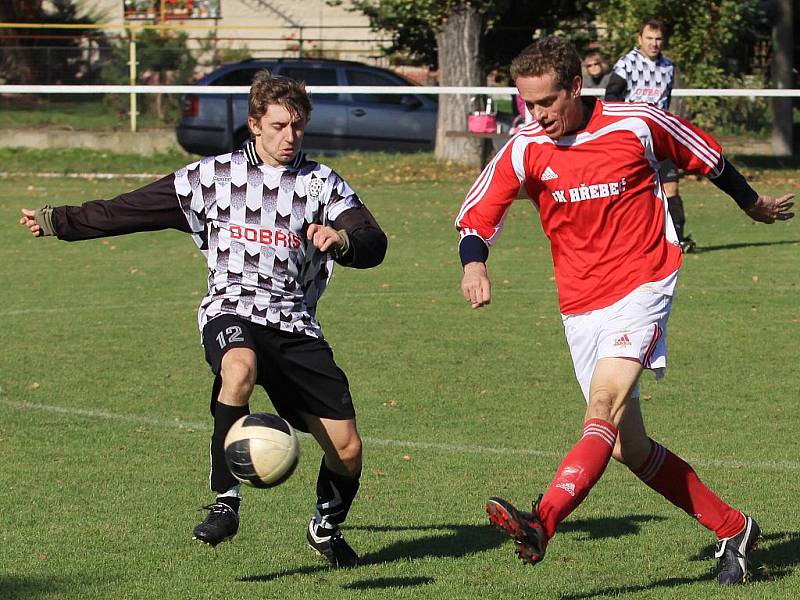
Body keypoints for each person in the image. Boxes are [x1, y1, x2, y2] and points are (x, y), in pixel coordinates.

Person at [455, 36, 794, 586]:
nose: (536, 115)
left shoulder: (636, 122)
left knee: (603, 405)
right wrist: (474, 265)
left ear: (575, 88)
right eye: (526, 104)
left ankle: (543, 519)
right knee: (629, 448)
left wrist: (751, 203)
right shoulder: (524, 147)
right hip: (580, 304)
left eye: (546, 103)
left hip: (644, 283)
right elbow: (477, 213)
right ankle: (734, 528)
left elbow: (707, 158)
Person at [19, 70, 387, 568]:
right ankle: (225, 502)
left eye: (297, 126)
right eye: (278, 126)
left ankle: (325, 528)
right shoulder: (211, 178)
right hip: (231, 306)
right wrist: (57, 220)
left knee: (346, 449)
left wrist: (343, 241)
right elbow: (131, 209)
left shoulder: (322, 183)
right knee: (238, 368)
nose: (289, 137)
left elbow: (373, 242)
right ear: (254, 124)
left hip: (294, 321)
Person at [605, 18, 695, 252]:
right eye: (649, 38)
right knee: (629, 191)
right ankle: (623, 240)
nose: (654, 43)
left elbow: (666, 100)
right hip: (632, 140)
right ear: (639, 39)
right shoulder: (626, 63)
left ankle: (677, 240)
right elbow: (611, 97)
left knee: (671, 187)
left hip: (661, 139)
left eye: (658, 39)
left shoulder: (668, 67)